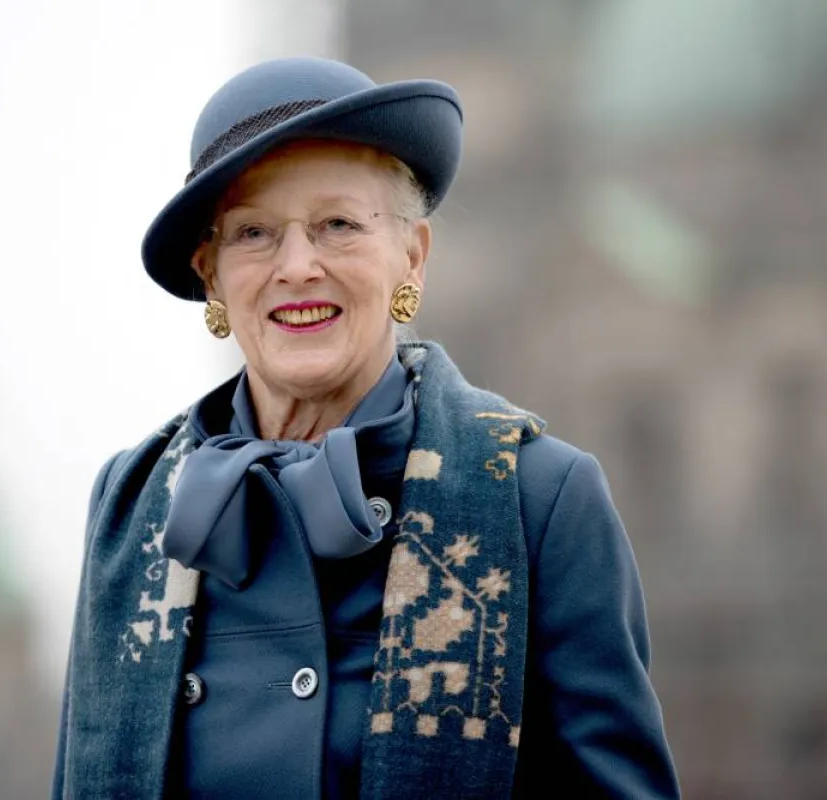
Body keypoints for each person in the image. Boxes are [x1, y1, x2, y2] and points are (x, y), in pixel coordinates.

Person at [52, 57, 680, 799]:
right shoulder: (133, 511)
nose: (297, 266)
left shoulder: (540, 499)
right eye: (253, 232)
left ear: (410, 257)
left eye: (338, 225)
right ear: (211, 274)